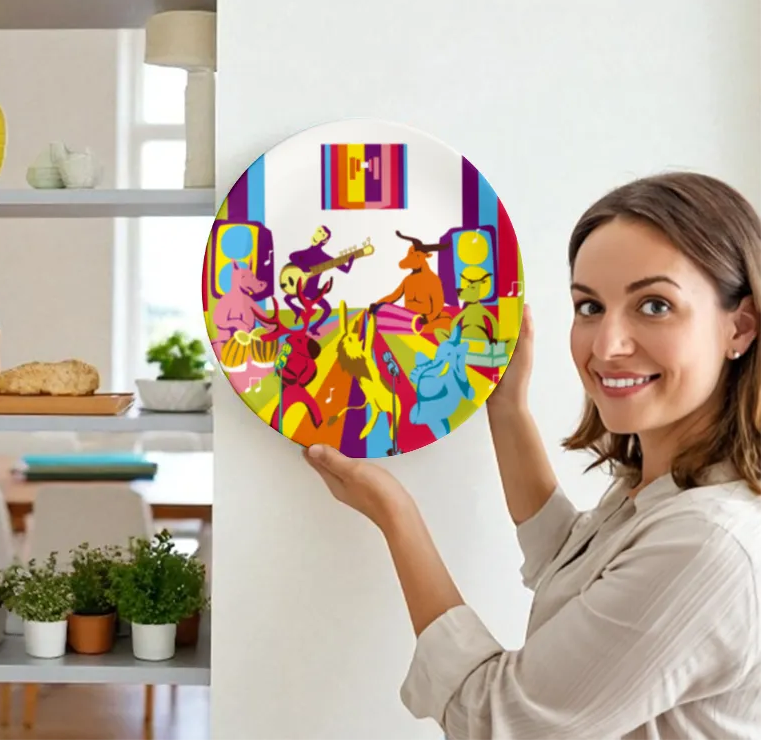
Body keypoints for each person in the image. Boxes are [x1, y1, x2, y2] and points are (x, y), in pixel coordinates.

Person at [305, 172, 761, 739]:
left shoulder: (708, 546)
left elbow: (499, 719)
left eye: (654, 305)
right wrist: (507, 407)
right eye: (589, 306)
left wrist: (396, 516)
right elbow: (571, 563)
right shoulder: (666, 486)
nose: (606, 346)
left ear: (739, 327)